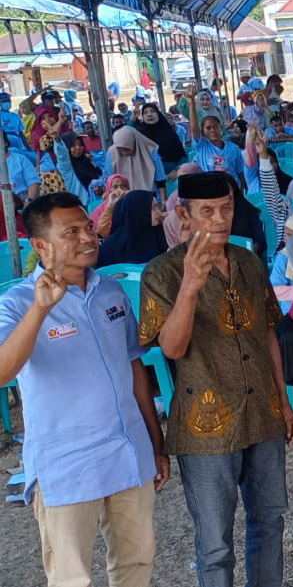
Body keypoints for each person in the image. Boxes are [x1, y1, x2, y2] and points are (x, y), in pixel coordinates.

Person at [138, 171, 293, 587]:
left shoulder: (248, 262)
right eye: (206, 211)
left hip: (262, 412)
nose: (219, 219)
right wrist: (190, 288)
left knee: (270, 521)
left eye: (226, 208)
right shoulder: (162, 273)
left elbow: (267, 332)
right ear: (184, 215)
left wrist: (284, 401)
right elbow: (171, 348)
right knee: (215, 544)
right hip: (205, 427)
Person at [0, 192, 168, 587]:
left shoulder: (109, 290)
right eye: (71, 231)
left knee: (136, 566)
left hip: (127, 454)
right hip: (67, 467)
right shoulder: (18, 303)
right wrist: (41, 309)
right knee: (71, 578)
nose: (88, 237)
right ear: (40, 245)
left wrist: (155, 443)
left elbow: (134, 367)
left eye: (88, 227)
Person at [96, 190, 168, 268]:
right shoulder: (109, 250)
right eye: (153, 208)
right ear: (138, 212)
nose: (158, 212)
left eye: (157, 206)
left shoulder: (159, 235)